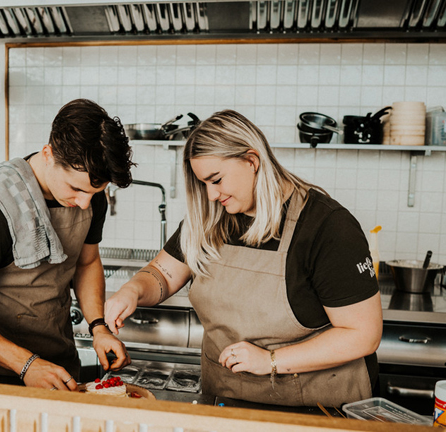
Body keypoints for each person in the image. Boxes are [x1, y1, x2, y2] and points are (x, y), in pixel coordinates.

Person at [104, 110, 382, 407]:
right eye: (203, 184)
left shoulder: (326, 226)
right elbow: (162, 274)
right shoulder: (211, 218)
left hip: (315, 408)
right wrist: (132, 290)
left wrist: (271, 361)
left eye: (217, 180)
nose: (210, 195)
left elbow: (362, 334)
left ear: (252, 161)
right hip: (228, 400)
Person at [0, 99, 134, 391]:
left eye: (94, 193)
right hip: (1, 376)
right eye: (76, 189)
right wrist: (27, 364)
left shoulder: (91, 195)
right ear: (48, 154)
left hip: (63, 368)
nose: (84, 202)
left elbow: (86, 262)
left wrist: (98, 327)